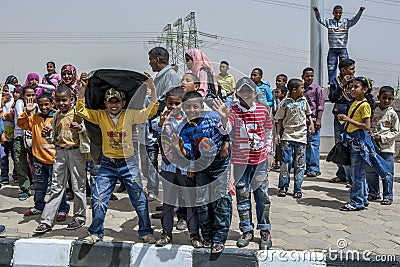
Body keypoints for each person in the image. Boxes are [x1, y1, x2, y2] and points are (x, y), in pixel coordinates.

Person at [77, 73, 158, 244]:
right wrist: (84, 87)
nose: (114, 105)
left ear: (123, 103)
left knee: (139, 199)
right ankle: (96, 232)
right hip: (108, 164)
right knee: (98, 199)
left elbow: (150, 111)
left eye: (117, 102)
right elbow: (80, 109)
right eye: (110, 102)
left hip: (129, 163)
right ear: (105, 103)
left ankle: (145, 231)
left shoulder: (130, 114)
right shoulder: (100, 115)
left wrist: (152, 87)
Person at [214, 77, 274, 250]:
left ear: (255, 93)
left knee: (262, 197)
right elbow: (224, 130)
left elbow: (269, 131)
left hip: (260, 161)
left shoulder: (263, 110)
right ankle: (246, 229)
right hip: (241, 162)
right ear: (237, 94)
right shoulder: (232, 111)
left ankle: (265, 230)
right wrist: (224, 118)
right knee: (242, 196)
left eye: (249, 91)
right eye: (242, 92)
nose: (246, 95)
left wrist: (270, 152)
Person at [172, 91, 231, 254]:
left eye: (195, 106)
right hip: (201, 165)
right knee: (203, 201)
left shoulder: (213, 116)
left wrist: (225, 123)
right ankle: (207, 236)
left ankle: (219, 238)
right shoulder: (183, 128)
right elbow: (188, 152)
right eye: (188, 107)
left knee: (221, 199)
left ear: (201, 105)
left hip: (219, 162)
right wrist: (181, 149)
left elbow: (228, 131)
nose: (192, 110)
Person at [33, 85, 89, 234]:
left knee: (78, 186)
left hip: (76, 152)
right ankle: (46, 221)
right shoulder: (57, 115)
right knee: (56, 187)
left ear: (71, 100)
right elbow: (53, 138)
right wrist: (47, 134)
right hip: (60, 153)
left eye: (64, 100)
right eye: (58, 100)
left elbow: (89, 131)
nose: (61, 103)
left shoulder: (78, 114)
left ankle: (79, 217)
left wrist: (81, 128)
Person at [152, 87, 202, 248]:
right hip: (168, 168)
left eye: (177, 103)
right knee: (168, 203)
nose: (173, 107)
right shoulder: (163, 119)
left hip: (186, 168)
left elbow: (194, 147)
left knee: (189, 202)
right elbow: (154, 130)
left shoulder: (189, 122)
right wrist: (161, 124)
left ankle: (194, 234)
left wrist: (193, 165)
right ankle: (166, 233)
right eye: (170, 103)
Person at [338, 77, 389, 211]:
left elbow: (366, 126)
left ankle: (357, 202)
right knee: (358, 173)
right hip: (352, 140)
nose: (352, 89)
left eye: (356, 87)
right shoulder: (354, 102)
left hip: (359, 142)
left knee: (357, 174)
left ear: (365, 90)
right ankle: (363, 198)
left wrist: (348, 119)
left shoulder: (364, 105)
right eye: (351, 87)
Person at [18, 92, 70, 218]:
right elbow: (21, 123)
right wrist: (27, 112)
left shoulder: (57, 117)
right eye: (40, 105)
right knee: (39, 185)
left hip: (55, 158)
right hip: (38, 158)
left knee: (57, 186)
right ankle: (39, 206)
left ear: (52, 104)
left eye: (46, 104)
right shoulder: (35, 117)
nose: (43, 107)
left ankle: (62, 208)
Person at [275, 79, 315, 198]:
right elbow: (279, 120)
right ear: (294, 90)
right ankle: (283, 187)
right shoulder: (285, 103)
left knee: (300, 164)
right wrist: (277, 134)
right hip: (287, 136)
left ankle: (297, 188)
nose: (303, 90)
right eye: (301, 88)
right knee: (286, 163)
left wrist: (311, 125)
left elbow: (308, 115)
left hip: (301, 137)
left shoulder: (304, 101)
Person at [313, 5, 365, 84]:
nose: (338, 14)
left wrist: (360, 11)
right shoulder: (329, 22)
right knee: (331, 67)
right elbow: (319, 19)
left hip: (342, 49)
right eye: (336, 13)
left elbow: (355, 20)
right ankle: (332, 83)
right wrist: (316, 11)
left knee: (346, 67)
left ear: (341, 13)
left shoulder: (346, 22)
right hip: (333, 49)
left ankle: (347, 82)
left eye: (339, 13)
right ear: (333, 13)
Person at [366, 86, 399, 205]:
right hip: (372, 146)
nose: (386, 101)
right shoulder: (373, 110)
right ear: (379, 97)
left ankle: (388, 195)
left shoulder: (392, 114)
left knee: (387, 172)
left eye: (389, 99)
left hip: (386, 147)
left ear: (392, 100)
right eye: (384, 98)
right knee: (371, 171)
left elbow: (395, 131)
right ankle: (373, 193)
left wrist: (382, 138)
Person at [328, 59, 356, 185]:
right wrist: (341, 86)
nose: (353, 71)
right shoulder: (335, 82)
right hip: (339, 116)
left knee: (352, 146)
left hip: (353, 117)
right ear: (343, 70)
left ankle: (352, 176)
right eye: (351, 69)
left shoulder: (356, 82)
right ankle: (341, 174)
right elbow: (332, 97)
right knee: (340, 144)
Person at [302, 68, 325, 177]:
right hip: (302, 122)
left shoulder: (317, 89)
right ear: (303, 77)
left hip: (314, 121)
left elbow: (320, 106)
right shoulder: (300, 89)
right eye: (307, 76)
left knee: (313, 144)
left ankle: (314, 168)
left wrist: (319, 120)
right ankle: (305, 167)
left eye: (311, 76)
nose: (309, 78)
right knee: (303, 145)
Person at [13, 86, 35, 200]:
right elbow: (21, 116)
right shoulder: (19, 103)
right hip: (19, 138)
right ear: (23, 95)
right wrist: (28, 110)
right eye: (28, 95)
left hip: (33, 138)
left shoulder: (38, 105)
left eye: (32, 95)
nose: (30, 98)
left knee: (36, 163)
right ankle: (24, 189)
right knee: (20, 164)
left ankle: (40, 186)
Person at [1, 84, 17, 184]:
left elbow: (12, 117)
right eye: (3, 90)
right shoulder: (1, 102)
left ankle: (16, 175)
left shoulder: (14, 103)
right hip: (2, 134)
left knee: (15, 157)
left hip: (13, 134)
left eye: (7, 91)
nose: (4, 93)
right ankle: (4, 176)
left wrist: (4, 115)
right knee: (3, 156)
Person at [272, 85, 288, 170]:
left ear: (284, 94)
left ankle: (284, 162)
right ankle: (279, 161)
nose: (276, 94)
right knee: (278, 144)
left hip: (284, 126)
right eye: (275, 92)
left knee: (284, 145)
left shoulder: (285, 103)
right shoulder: (277, 102)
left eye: (278, 92)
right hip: (278, 125)